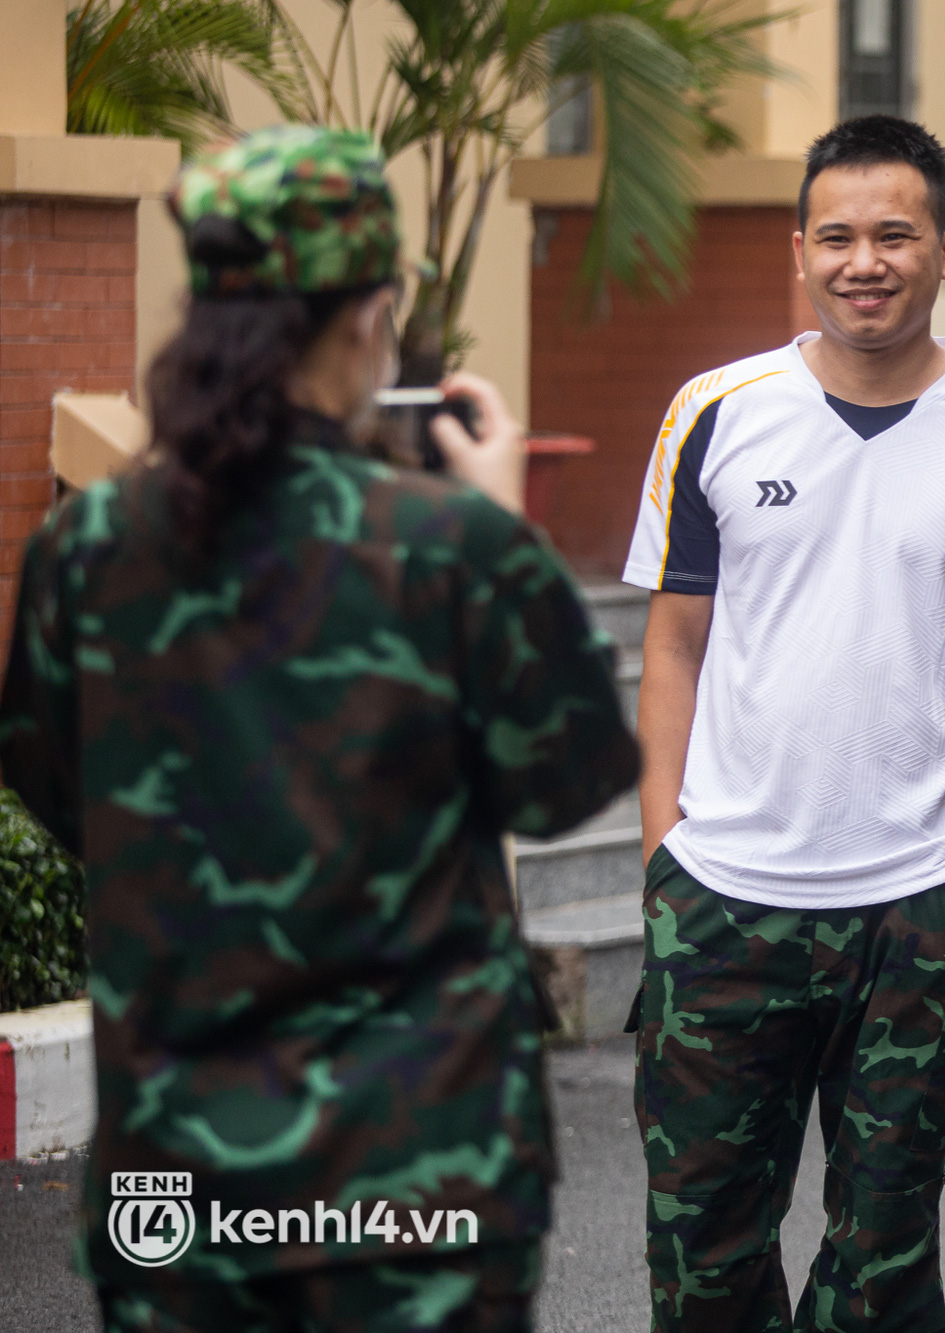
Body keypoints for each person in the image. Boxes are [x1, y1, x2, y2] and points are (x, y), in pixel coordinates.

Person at [0, 126, 639, 1329]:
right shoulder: (450, 543)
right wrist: (500, 524)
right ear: (368, 314)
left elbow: (54, 785)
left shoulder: (86, 549)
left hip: (180, 1169)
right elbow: (563, 776)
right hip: (421, 1170)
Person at [622, 114, 945, 1332]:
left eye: (895, 234)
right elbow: (671, 644)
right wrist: (663, 855)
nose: (863, 260)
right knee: (703, 1255)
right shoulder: (713, 412)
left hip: (915, 908)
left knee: (880, 1264)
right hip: (722, 902)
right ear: (799, 251)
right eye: (835, 236)